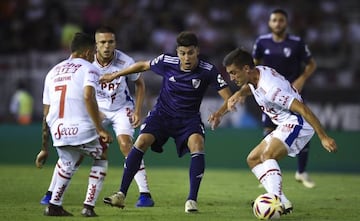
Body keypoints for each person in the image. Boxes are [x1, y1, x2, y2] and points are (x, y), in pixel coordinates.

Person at [99, 31, 232, 213]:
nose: (186, 58)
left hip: (188, 119)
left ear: (197, 51)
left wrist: (219, 113)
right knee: (141, 142)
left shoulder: (208, 70)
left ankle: (192, 200)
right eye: (183, 53)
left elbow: (228, 97)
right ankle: (121, 194)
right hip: (162, 115)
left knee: (198, 144)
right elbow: (142, 66)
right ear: (177, 52)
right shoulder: (166, 61)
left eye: (190, 53)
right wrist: (116, 75)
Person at [39, 26, 154, 207]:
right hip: (96, 109)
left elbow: (139, 83)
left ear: (115, 43)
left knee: (125, 144)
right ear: (95, 45)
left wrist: (138, 110)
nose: (107, 46)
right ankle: (51, 192)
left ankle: (145, 194)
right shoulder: (86, 64)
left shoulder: (125, 61)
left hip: (120, 108)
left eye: (111, 42)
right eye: (102, 42)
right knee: (80, 147)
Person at [223, 48, 337, 215]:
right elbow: (251, 86)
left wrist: (324, 137)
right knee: (253, 159)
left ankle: (274, 200)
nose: (231, 78)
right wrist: (239, 94)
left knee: (268, 156)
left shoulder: (272, 89)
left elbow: (303, 110)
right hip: (283, 123)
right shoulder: (257, 72)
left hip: (297, 122)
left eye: (233, 73)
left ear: (246, 68)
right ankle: (283, 201)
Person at [35, 32, 113, 217]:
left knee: (67, 161)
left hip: (58, 130)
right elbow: (88, 96)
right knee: (101, 155)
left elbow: (45, 113)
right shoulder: (89, 68)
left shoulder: (52, 72)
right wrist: (100, 129)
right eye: (93, 52)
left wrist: (44, 148)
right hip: (82, 128)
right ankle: (88, 206)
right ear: (87, 52)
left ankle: (54, 205)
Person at [252, 8, 318, 188]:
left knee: (302, 125)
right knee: (268, 128)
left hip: (292, 92)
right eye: (274, 20)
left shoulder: (297, 43)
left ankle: (301, 172)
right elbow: (253, 67)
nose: (277, 23)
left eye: (281, 20)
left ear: (286, 23)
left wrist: (302, 79)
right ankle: (269, 169)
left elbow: (312, 64)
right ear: (269, 23)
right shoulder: (262, 42)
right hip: (269, 95)